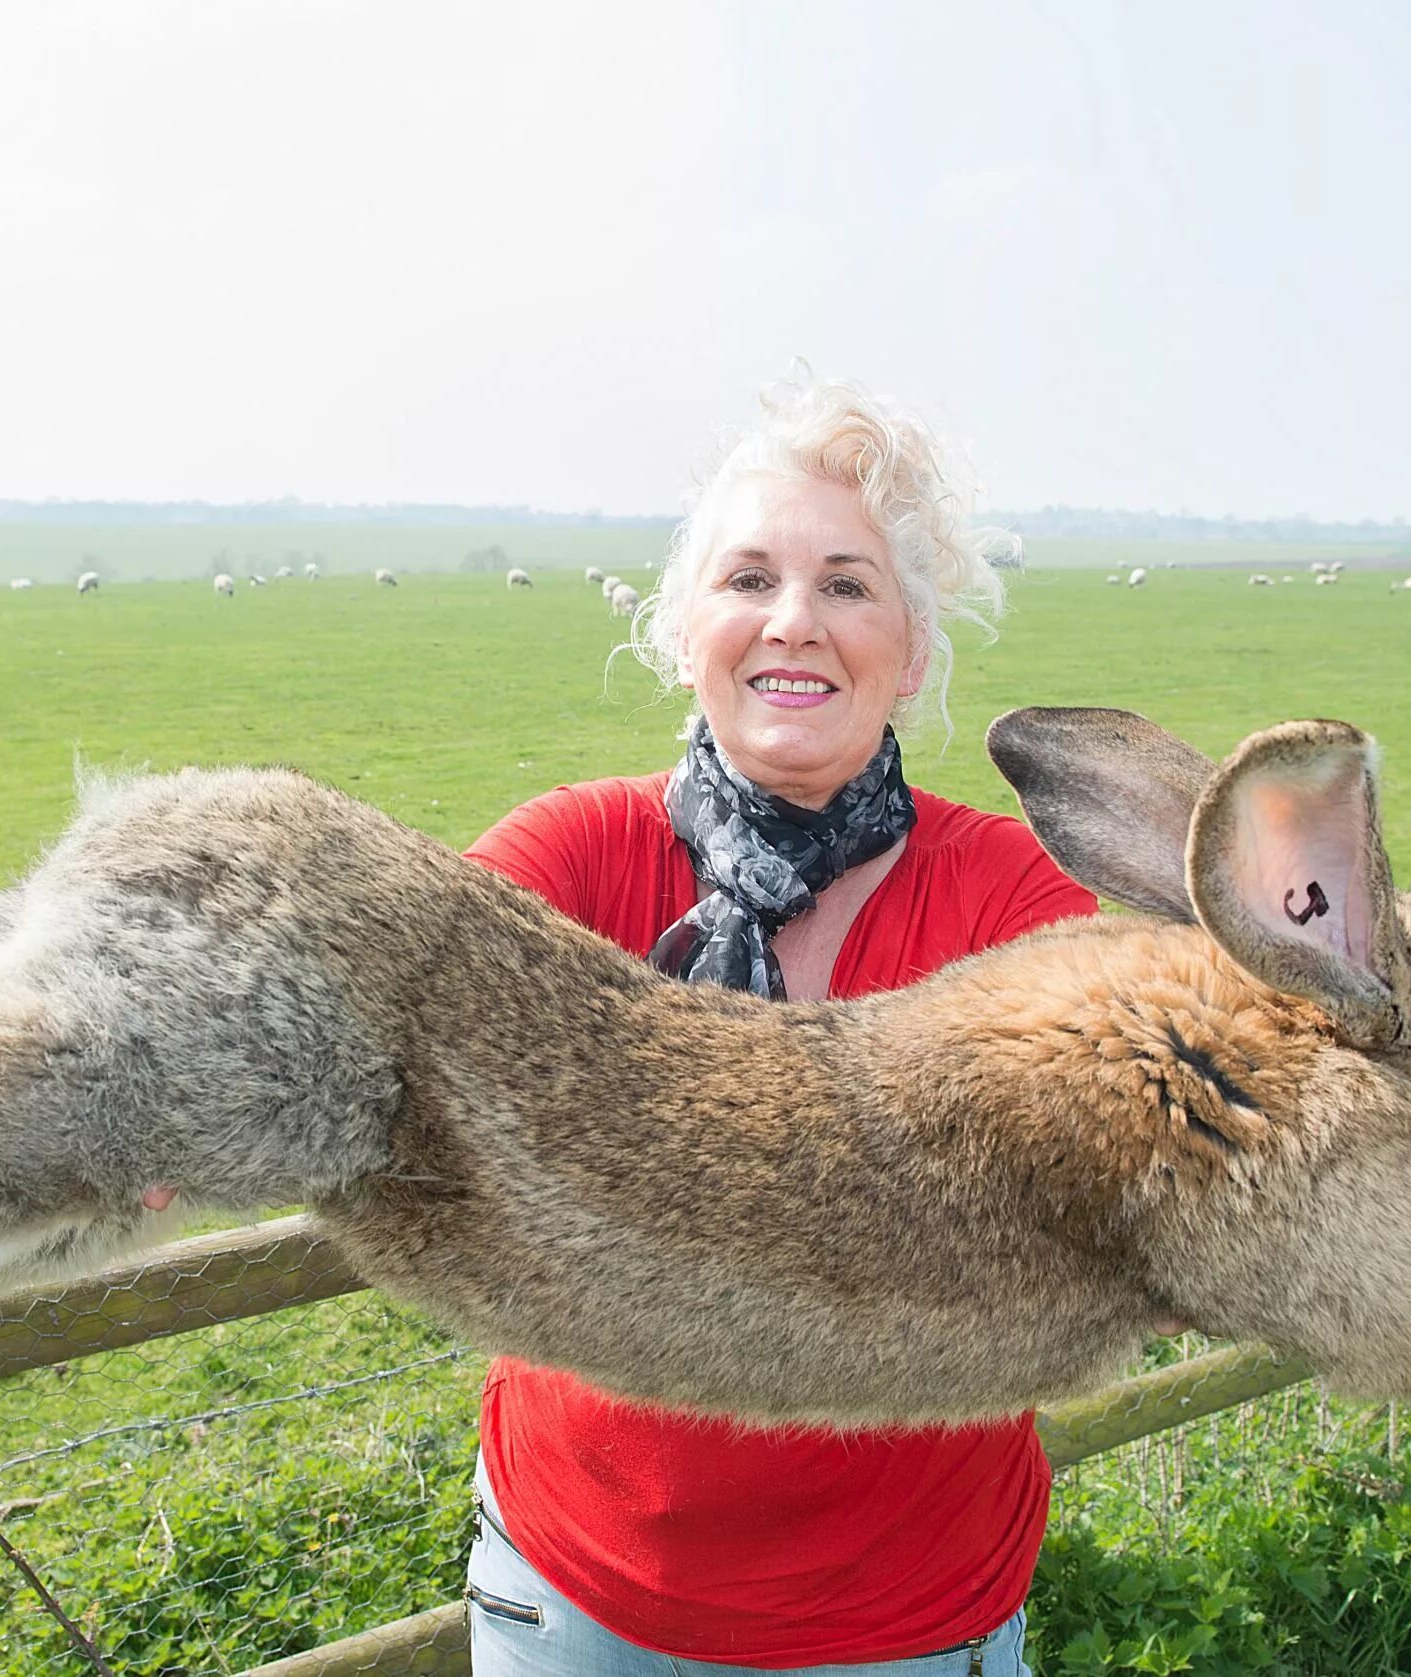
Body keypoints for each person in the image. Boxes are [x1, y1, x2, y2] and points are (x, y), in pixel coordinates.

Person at [457, 370, 1097, 1676]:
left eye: (846, 584)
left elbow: (1107, 1152)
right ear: (686, 625)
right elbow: (378, 992)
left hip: (899, 1628)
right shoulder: (576, 858)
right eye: (748, 579)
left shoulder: (1003, 898)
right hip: (573, 1598)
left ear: (910, 647)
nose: (791, 621)